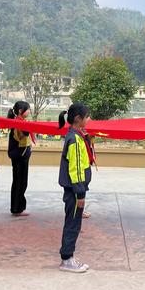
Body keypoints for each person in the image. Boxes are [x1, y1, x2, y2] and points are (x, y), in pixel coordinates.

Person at [58, 102, 94, 273]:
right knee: (72, 224)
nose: (89, 119)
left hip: (76, 189)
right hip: (75, 190)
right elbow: (76, 169)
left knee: (74, 223)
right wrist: (80, 194)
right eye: (87, 117)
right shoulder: (74, 139)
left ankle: (68, 257)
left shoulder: (77, 135)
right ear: (78, 119)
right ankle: (67, 259)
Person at [7, 101, 34, 216]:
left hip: (23, 156)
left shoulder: (22, 122)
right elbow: (19, 137)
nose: (29, 111)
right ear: (20, 111)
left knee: (22, 182)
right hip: (19, 157)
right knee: (19, 182)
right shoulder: (17, 123)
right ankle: (16, 208)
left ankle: (18, 207)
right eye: (27, 109)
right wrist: (25, 130)